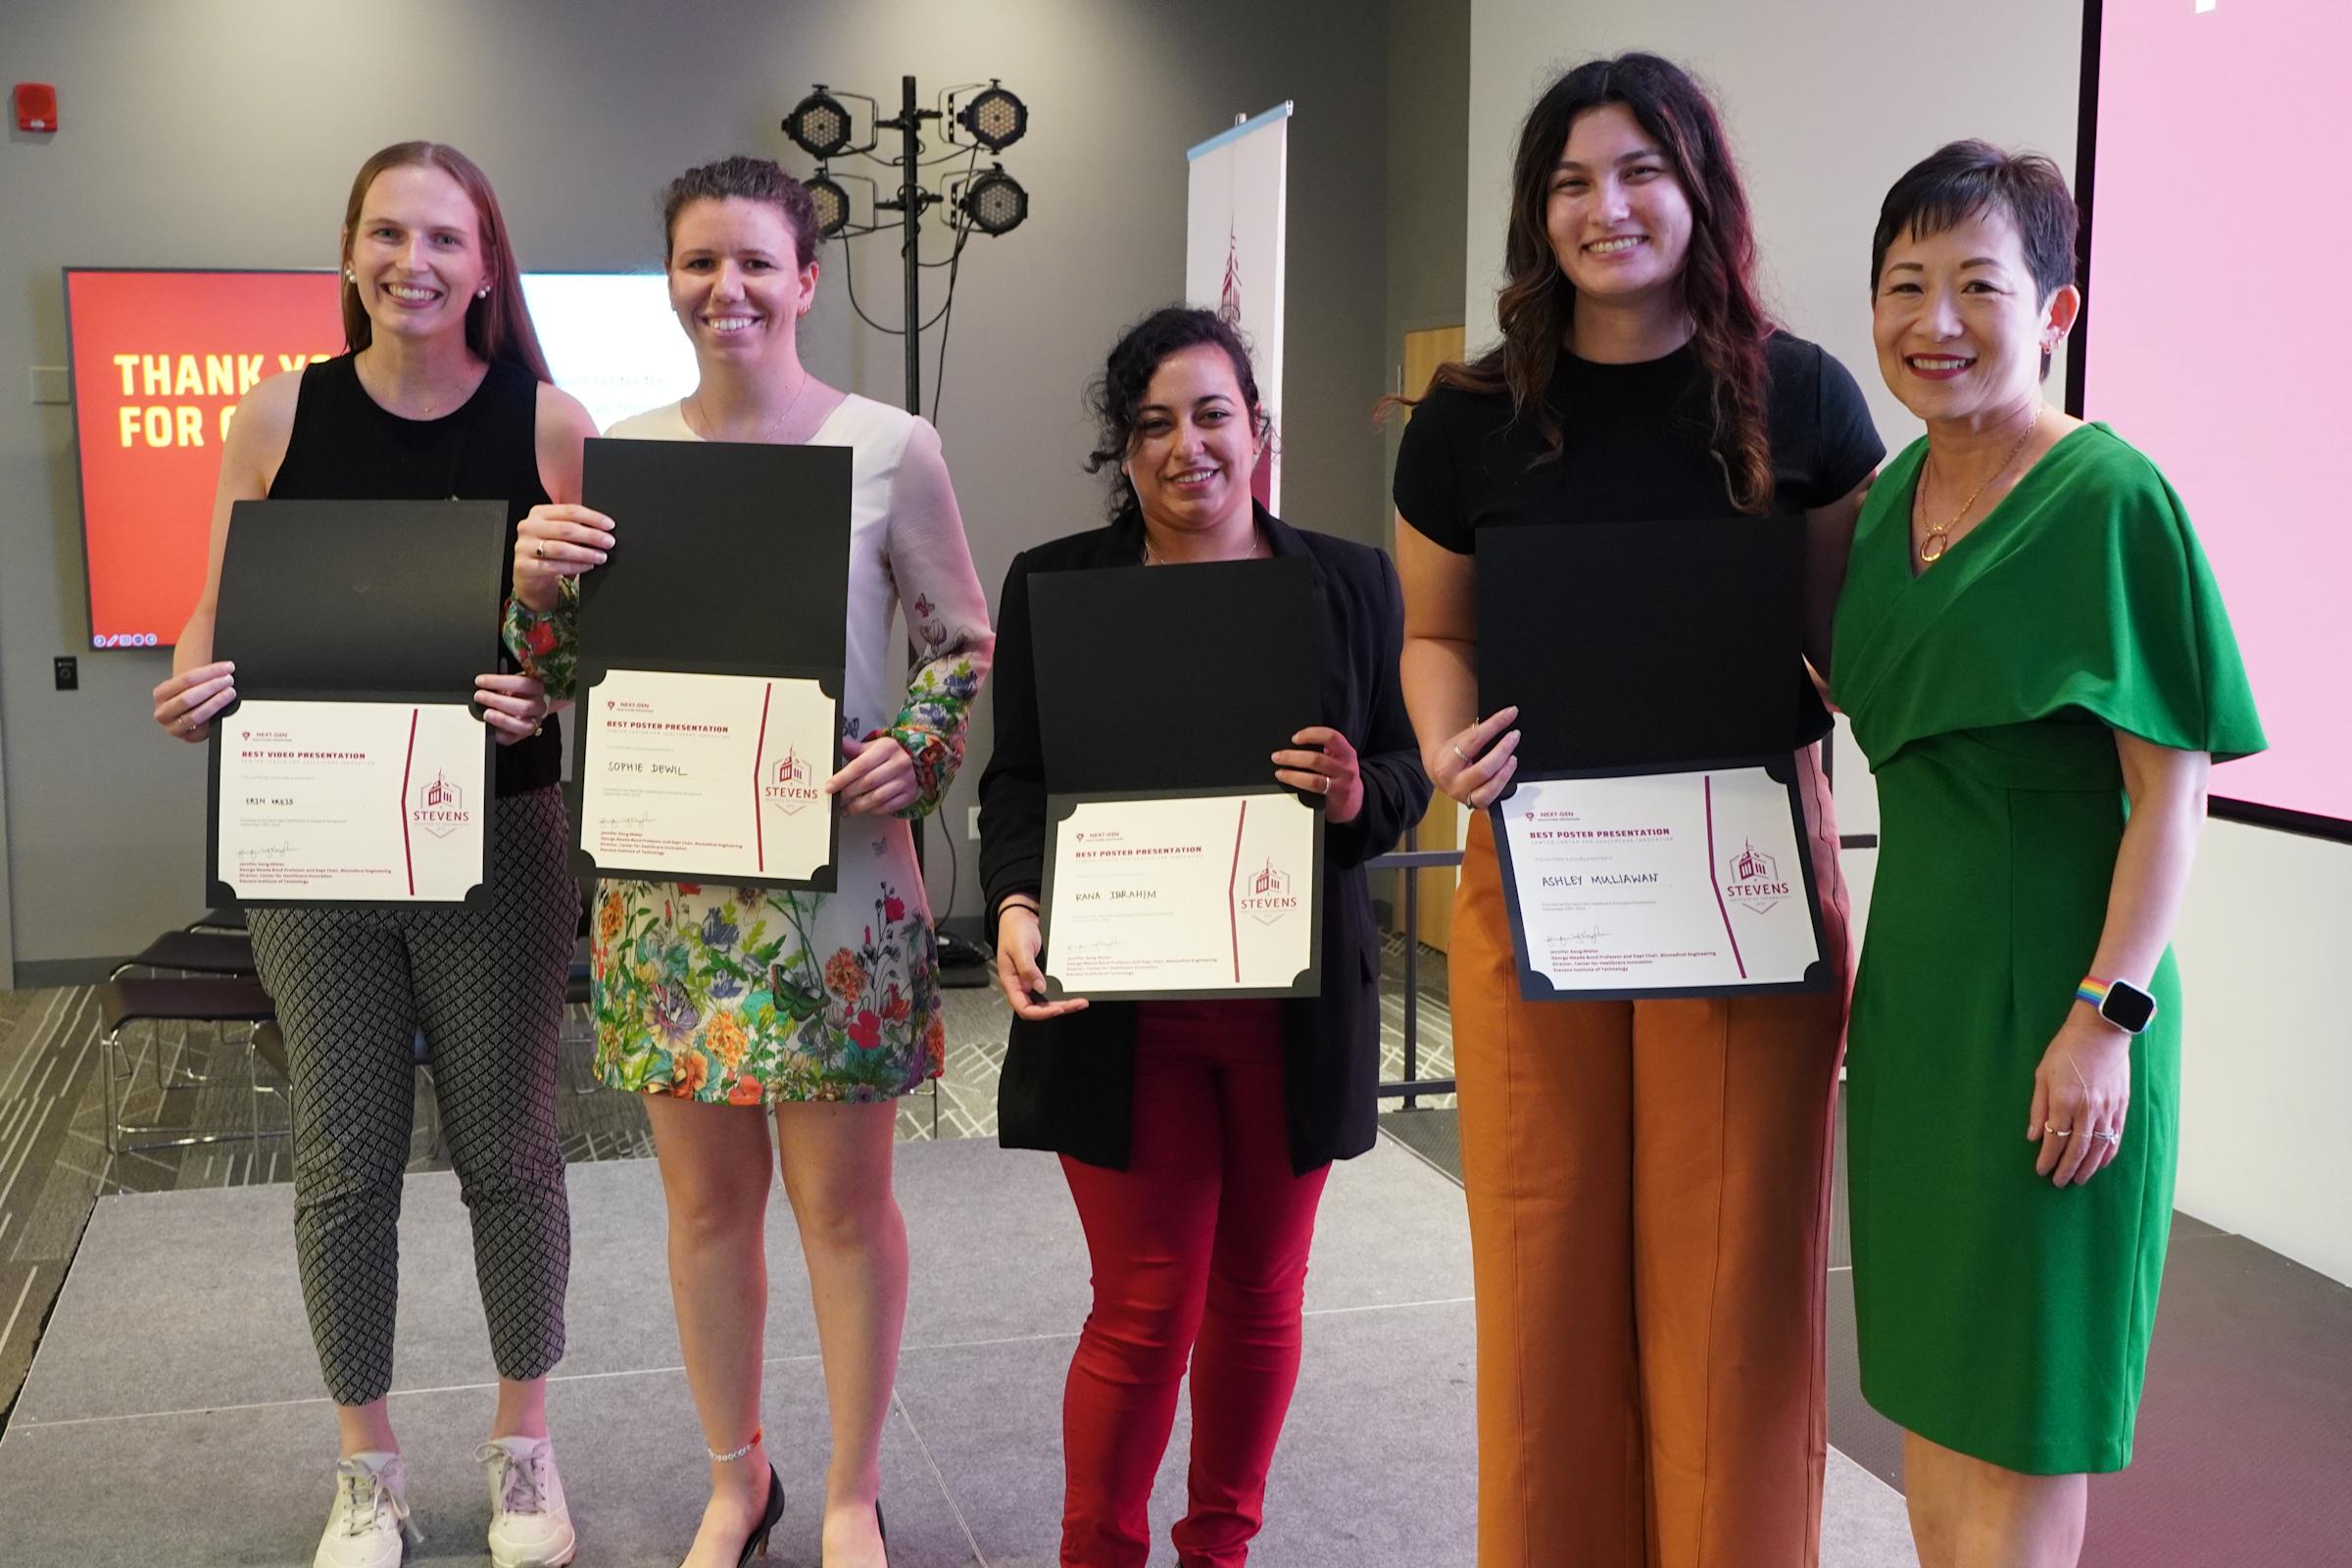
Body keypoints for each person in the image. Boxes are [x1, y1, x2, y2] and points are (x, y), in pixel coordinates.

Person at [1390, 55, 1885, 1568]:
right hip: (1540, 873)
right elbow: (1435, 632)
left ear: (1700, 190)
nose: (1605, 208)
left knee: (1733, 1285)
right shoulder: (1469, 417)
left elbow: (1848, 645)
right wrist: (1445, 745)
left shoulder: (1800, 396)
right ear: (1536, 213)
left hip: (1744, 883)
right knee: (1541, 1266)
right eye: (1569, 183)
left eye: (1639, 171)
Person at [505, 154, 991, 1568]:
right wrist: (534, 595)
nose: (727, 288)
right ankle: (741, 1479)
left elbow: (958, 645)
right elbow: (563, 678)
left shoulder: (891, 446)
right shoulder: (622, 455)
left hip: (839, 884)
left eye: (756, 262)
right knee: (707, 1209)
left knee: (844, 1209)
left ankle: (849, 1489)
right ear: (671, 279)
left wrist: (917, 747)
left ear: (806, 279)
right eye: (699, 262)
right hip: (672, 890)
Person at [147, 141, 591, 1568]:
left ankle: (525, 1449)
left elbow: (586, 646)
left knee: (511, 1153)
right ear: (350, 253)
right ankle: (367, 1467)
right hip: (316, 835)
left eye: (446, 237)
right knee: (343, 1161)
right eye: (388, 233)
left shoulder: (550, 423)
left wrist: (547, 688)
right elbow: (213, 607)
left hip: (501, 833)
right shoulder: (279, 414)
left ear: (486, 262)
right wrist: (189, 676)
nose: (415, 261)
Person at [1831, 141, 2263, 1568]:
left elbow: (2171, 795)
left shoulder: (2108, 497)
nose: (1935, 321)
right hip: (1922, 1005)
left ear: (2057, 310)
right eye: (1905, 284)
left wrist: (2105, 1019)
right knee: (1935, 1391)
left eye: (1978, 285)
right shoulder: (1888, 504)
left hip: (2062, 1013)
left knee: (2027, 1403)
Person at [976, 305, 1430, 1568]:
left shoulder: (1350, 582)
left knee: (1259, 1297)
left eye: (1213, 414)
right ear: (1124, 451)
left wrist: (1358, 792)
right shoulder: (1058, 584)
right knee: (1141, 1305)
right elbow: (1019, 781)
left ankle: (1218, 1549)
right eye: (1154, 424)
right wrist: (1014, 901)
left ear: (1257, 428)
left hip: (1294, 1014)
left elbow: (1403, 770)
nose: (1188, 446)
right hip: (1117, 1010)